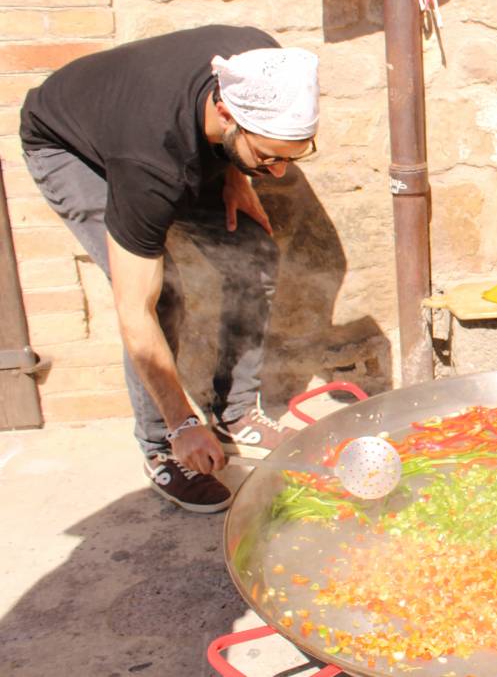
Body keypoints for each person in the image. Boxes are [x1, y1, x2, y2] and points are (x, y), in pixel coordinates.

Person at [20, 25, 321, 514]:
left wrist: (240, 173)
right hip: (68, 146)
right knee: (161, 299)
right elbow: (133, 310)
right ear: (227, 115)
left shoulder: (265, 62)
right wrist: (184, 422)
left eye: (291, 157)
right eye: (269, 158)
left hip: (168, 130)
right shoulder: (149, 166)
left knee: (255, 252)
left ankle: (234, 413)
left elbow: (245, 147)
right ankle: (162, 444)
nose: (279, 173)